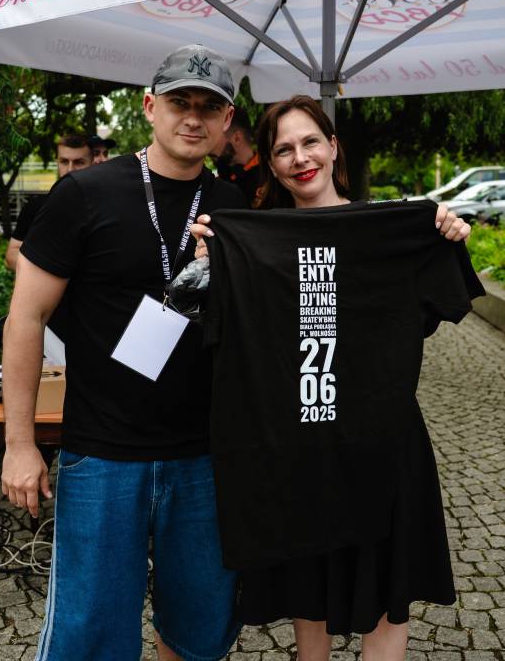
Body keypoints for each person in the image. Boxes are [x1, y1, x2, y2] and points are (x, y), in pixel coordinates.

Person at [191, 95, 475, 661]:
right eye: (284, 150)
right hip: (296, 453)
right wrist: (209, 263)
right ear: (270, 166)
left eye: (310, 142)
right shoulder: (252, 244)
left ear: (333, 146)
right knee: (309, 598)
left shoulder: (390, 230)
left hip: (381, 447)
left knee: (388, 599)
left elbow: (438, 302)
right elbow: (201, 324)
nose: (300, 158)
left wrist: (443, 233)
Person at [0, 44, 247, 661]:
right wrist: (20, 443)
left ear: (226, 121)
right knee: (90, 638)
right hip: (103, 455)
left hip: (205, 457)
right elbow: (26, 318)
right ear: (149, 106)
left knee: (199, 633)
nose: (192, 118)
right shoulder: (84, 194)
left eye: (209, 107)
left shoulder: (236, 209)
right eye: (180, 102)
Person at [5, 135, 93, 272]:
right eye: (64, 161)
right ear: (57, 162)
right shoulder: (36, 205)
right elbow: (11, 257)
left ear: (92, 163)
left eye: (79, 162)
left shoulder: (104, 206)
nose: (70, 169)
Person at [210, 106, 260, 204]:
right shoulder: (218, 179)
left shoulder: (269, 179)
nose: (207, 143)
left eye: (215, 135)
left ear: (237, 138)